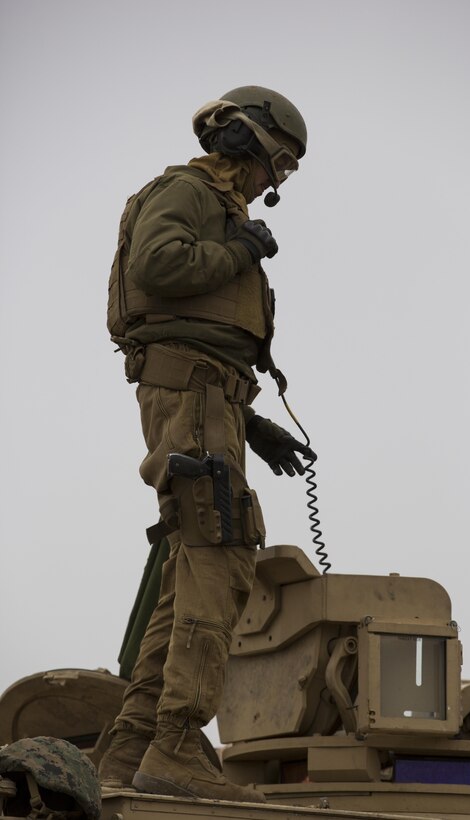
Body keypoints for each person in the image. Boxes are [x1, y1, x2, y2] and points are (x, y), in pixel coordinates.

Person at [99, 86, 315, 803]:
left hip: (208, 397)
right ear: (243, 142)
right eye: (275, 162)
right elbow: (158, 269)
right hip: (189, 394)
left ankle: (133, 749)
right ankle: (179, 743)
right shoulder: (188, 192)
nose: (271, 181)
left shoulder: (217, 207)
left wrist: (250, 421)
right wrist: (237, 247)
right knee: (220, 554)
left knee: (195, 564)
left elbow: (201, 332)